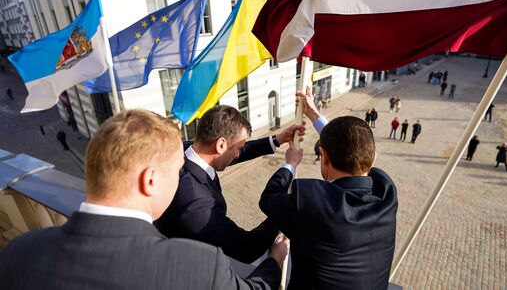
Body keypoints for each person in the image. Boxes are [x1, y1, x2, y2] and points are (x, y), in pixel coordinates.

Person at [0, 110, 286, 289]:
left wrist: (274, 140)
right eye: (176, 171)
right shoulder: (196, 266)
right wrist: (274, 258)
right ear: (150, 180)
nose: (181, 178)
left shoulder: (19, 250)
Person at [259, 89, 397, 289]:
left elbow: (268, 198)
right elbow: (355, 151)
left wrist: (290, 164)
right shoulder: (386, 194)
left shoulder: (310, 205)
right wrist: (314, 114)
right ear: (374, 158)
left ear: (323, 157)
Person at [155, 105, 304, 264]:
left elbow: (230, 152)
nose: (239, 153)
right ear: (220, 145)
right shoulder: (198, 204)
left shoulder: (184, 151)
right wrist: (282, 211)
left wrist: (277, 139)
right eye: (239, 148)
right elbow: (247, 248)